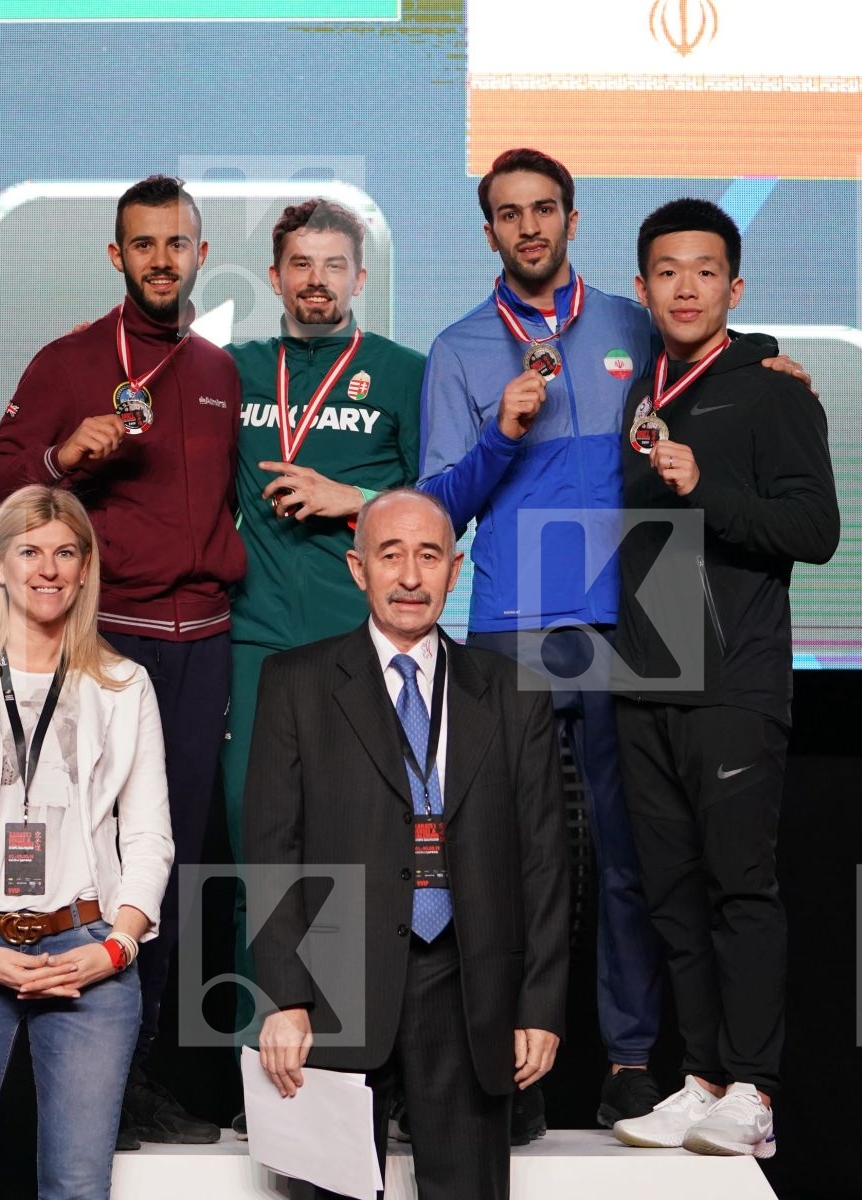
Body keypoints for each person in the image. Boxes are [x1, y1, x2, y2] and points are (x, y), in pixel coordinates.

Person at [417, 147, 813, 1134]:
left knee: (646, 857)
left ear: (572, 217)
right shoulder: (461, 347)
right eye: (509, 214)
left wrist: (766, 351)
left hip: (647, 617)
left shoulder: (637, 320)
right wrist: (500, 437)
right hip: (515, 616)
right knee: (501, 850)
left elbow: (710, 345)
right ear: (490, 232)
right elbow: (436, 509)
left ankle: (635, 1060)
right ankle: (503, 1064)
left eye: (544, 208)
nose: (529, 227)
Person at [0, 174, 240, 1145]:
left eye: (178, 244)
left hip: (204, 646)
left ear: (201, 255)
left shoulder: (217, 368)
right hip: (108, 643)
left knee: (171, 865)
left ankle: (138, 1076)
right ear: (116, 257)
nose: (163, 259)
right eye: (144, 244)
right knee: (93, 855)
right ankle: (89, 1075)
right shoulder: (71, 361)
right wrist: (57, 459)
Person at [246, 487, 570, 1199]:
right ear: (358, 569)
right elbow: (271, 852)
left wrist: (538, 1005)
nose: (411, 576)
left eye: (429, 557)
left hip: (469, 989)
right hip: (331, 992)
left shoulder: (514, 693)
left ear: (456, 571)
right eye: (391, 556)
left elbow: (546, 861)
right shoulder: (294, 683)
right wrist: (285, 996)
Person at [608, 198, 839, 1160]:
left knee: (741, 888)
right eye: (667, 271)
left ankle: (754, 1090)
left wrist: (708, 486)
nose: (686, 287)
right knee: (671, 892)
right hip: (648, 680)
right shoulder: (645, 390)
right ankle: (700, 1075)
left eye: (705, 271)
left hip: (735, 686)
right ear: (643, 288)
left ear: (734, 287)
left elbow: (814, 533)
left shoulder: (776, 389)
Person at [0, 485, 174, 1197]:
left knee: (78, 1187)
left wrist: (113, 950)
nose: (48, 569)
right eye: (30, 552)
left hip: (88, 956)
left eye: (65, 553)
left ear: (85, 569)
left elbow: (149, 837)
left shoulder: (123, 684)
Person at [222, 198, 424, 1108]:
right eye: (300, 264)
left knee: (359, 857)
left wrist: (352, 497)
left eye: (334, 265)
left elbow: (442, 506)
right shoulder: (228, 374)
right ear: (274, 279)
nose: (317, 280)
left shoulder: (403, 374)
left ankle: (355, 1071)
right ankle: (255, 1076)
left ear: (361, 277)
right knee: (254, 852)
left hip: (366, 651)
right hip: (258, 645)